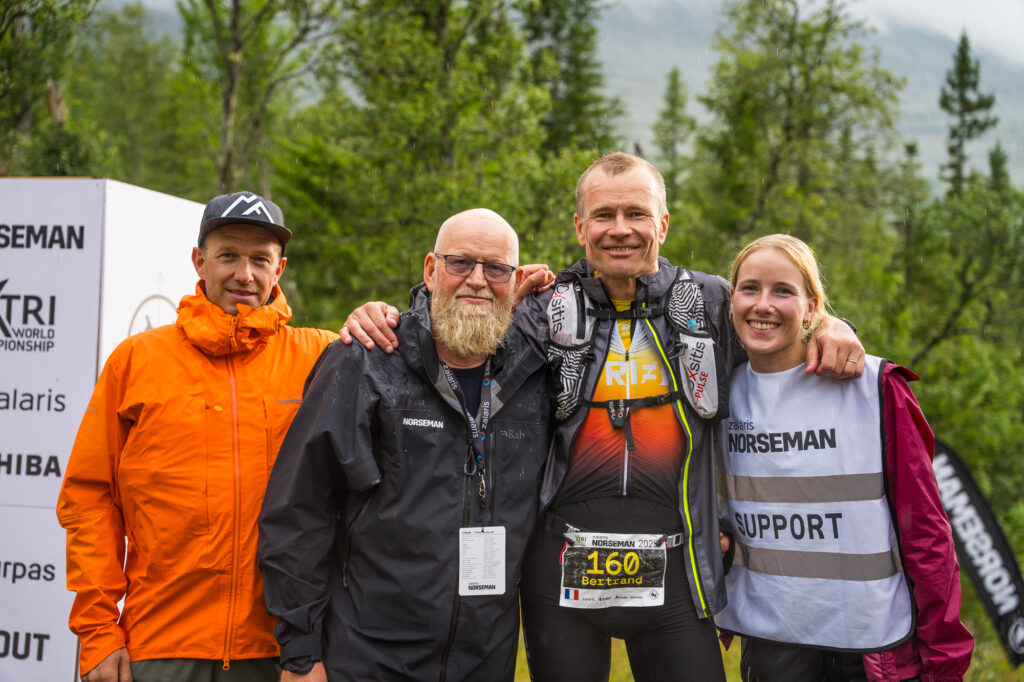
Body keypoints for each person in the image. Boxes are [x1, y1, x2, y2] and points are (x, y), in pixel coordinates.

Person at [341, 152, 865, 681]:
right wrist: (389, 313)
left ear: (663, 223)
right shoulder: (541, 309)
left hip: (675, 573)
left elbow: (775, 318)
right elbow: (460, 322)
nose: (620, 229)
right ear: (579, 227)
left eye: (636, 213)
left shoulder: (708, 302)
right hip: (560, 574)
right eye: (603, 215)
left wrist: (829, 325)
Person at [257, 208, 551, 681]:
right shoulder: (366, 361)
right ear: (431, 270)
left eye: (496, 268)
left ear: (515, 281)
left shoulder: (535, 375)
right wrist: (300, 653)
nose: (478, 280)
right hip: (368, 658)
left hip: (484, 660)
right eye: (460, 263)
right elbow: (299, 511)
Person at [56, 192, 338, 682]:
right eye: (228, 255)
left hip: (286, 652)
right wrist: (98, 633)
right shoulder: (137, 361)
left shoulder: (323, 357)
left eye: (260, 259)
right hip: (160, 648)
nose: (244, 274)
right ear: (199, 261)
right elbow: (90, 499)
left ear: (279, 269)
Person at [715, 234, 973, 681]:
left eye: (783, 291)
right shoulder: (714, 395)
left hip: (870, 647)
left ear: (812, 307)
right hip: (772, 640)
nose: (763, 304)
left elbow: (926, 532)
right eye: (750, 288)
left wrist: (944, 659)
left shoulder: (875, 386)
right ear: (731, 299)